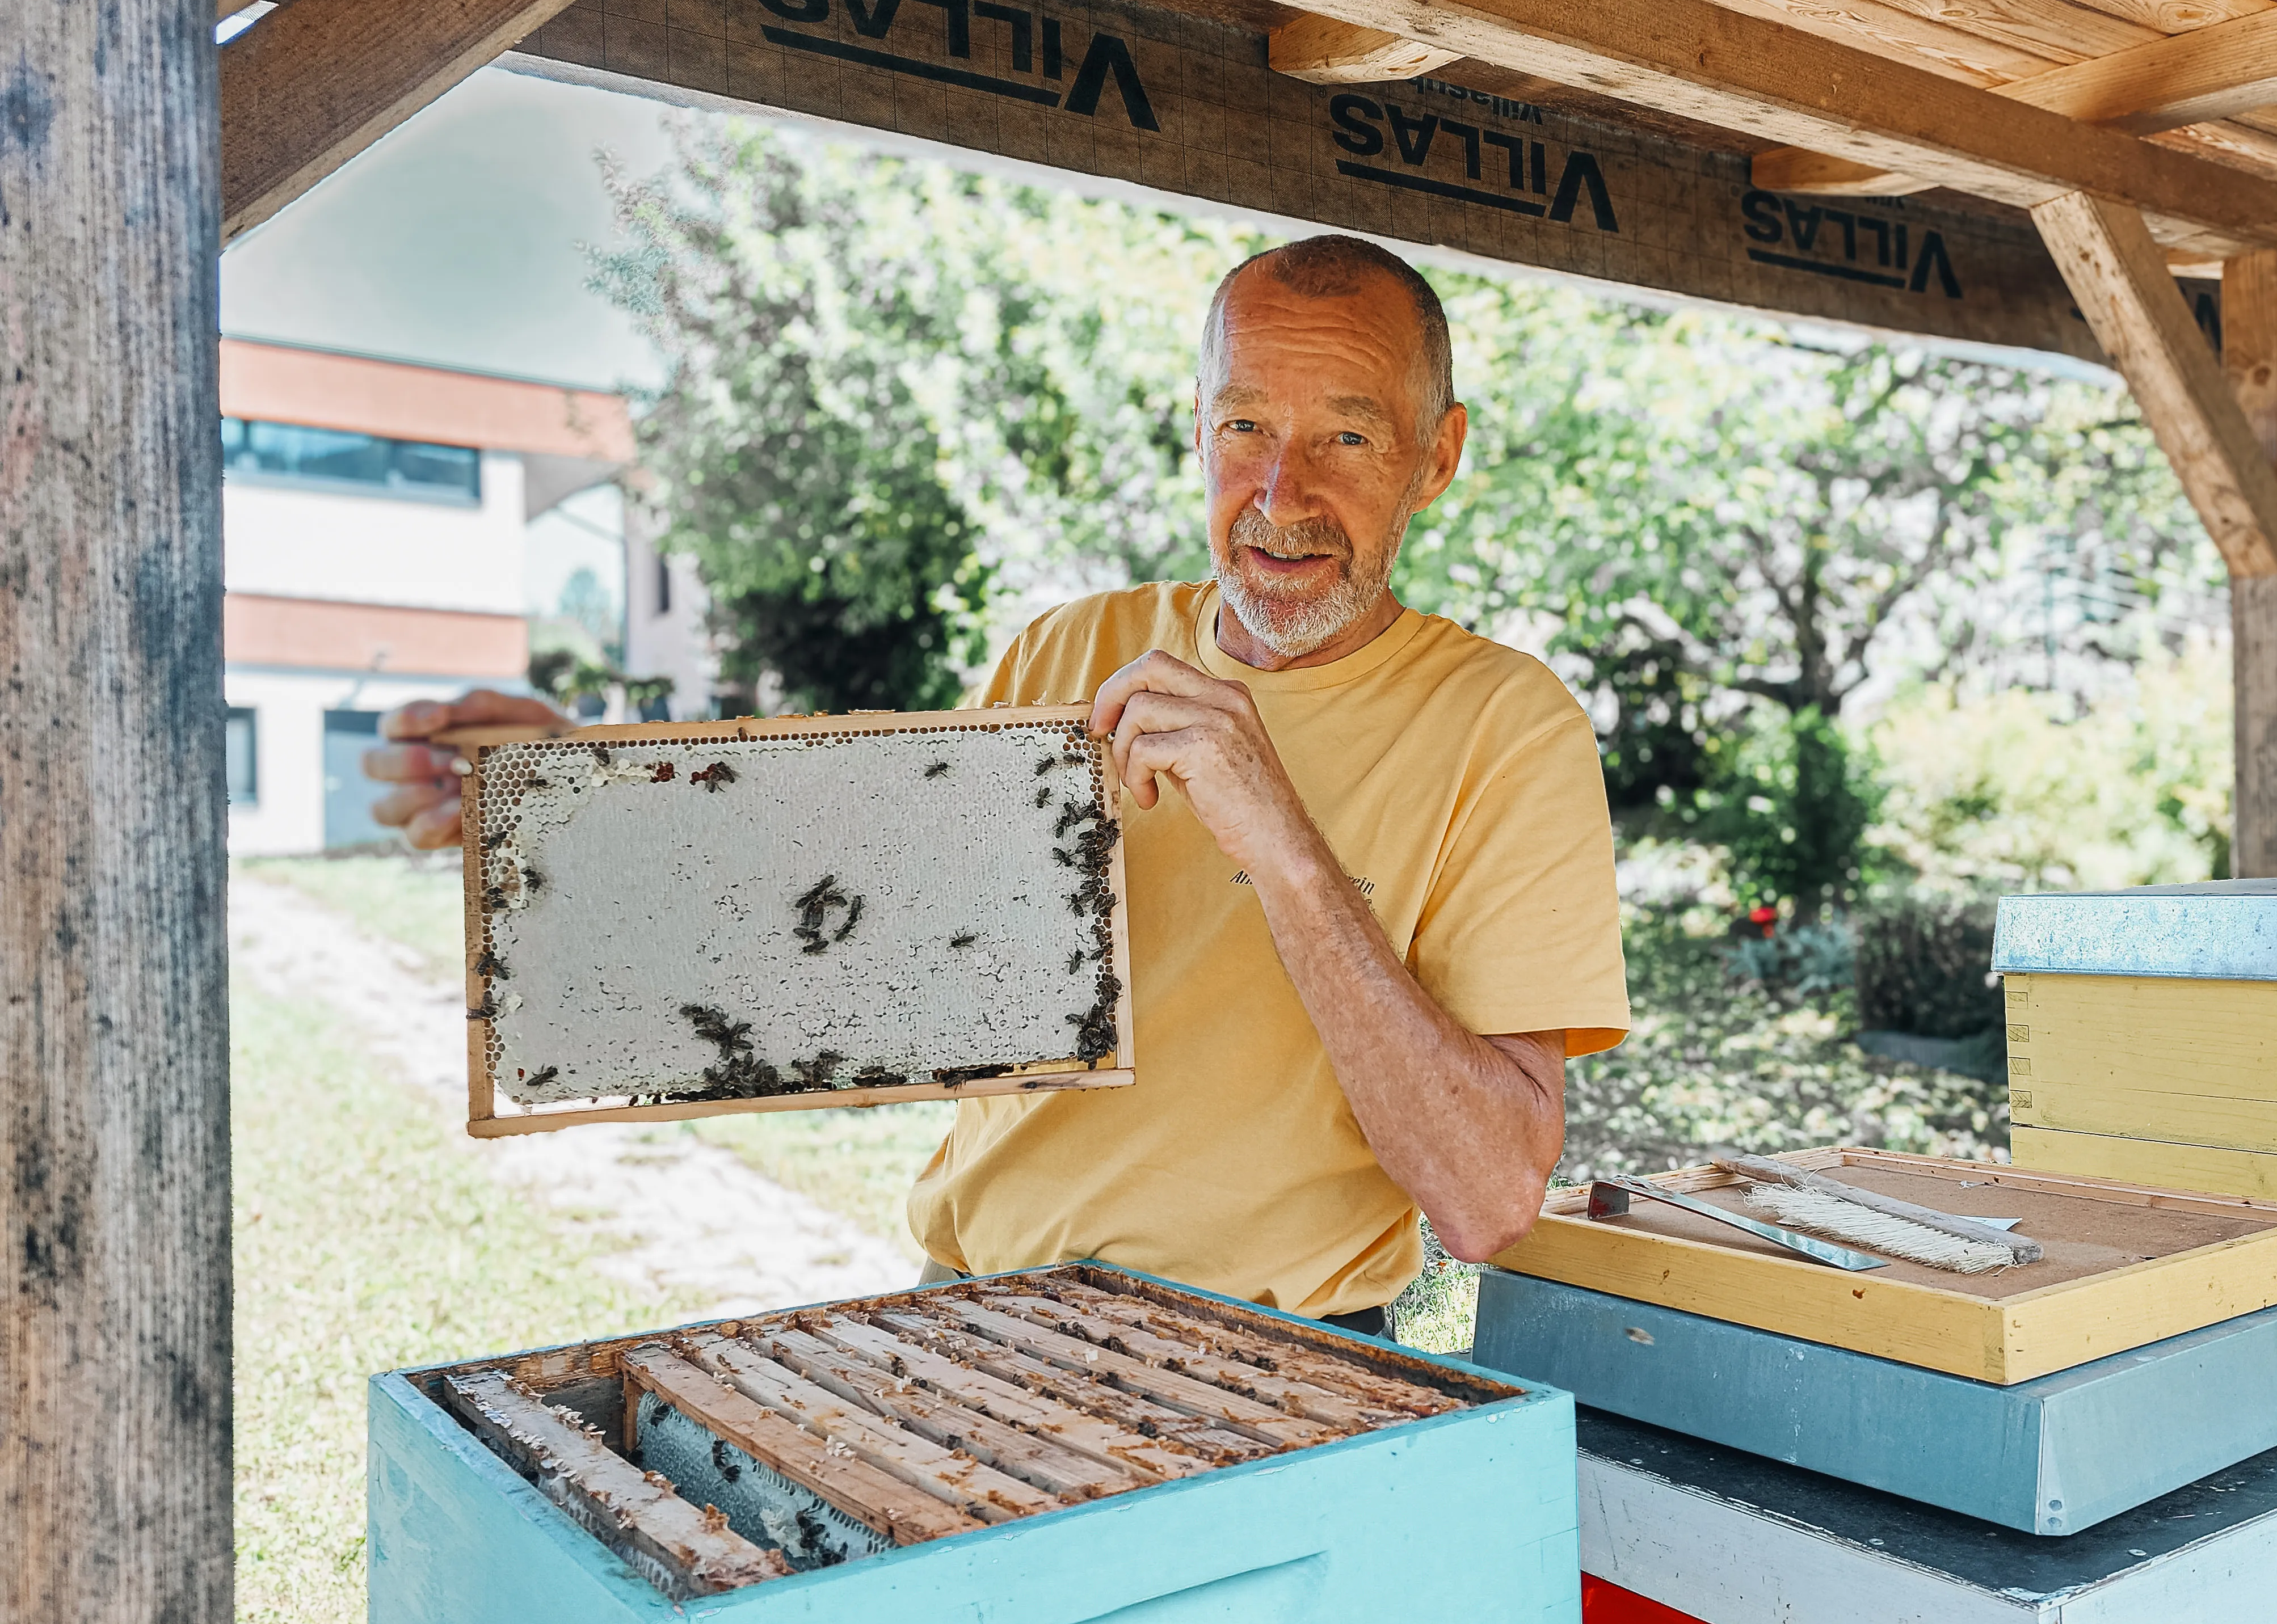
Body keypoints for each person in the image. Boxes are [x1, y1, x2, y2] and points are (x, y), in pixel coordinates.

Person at [367, 233, 1628, 1331]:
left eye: (1344, 435)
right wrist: (585, 806)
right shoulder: (1065, 653)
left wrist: (1283, 848)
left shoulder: (1505, 727)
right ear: (1197, 429)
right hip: (970, 1310)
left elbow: (1486, 1196)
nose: (1279, 494)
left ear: (1435, 456)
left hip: (1290, 1359)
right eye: (1244, 426)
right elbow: (857, 964)